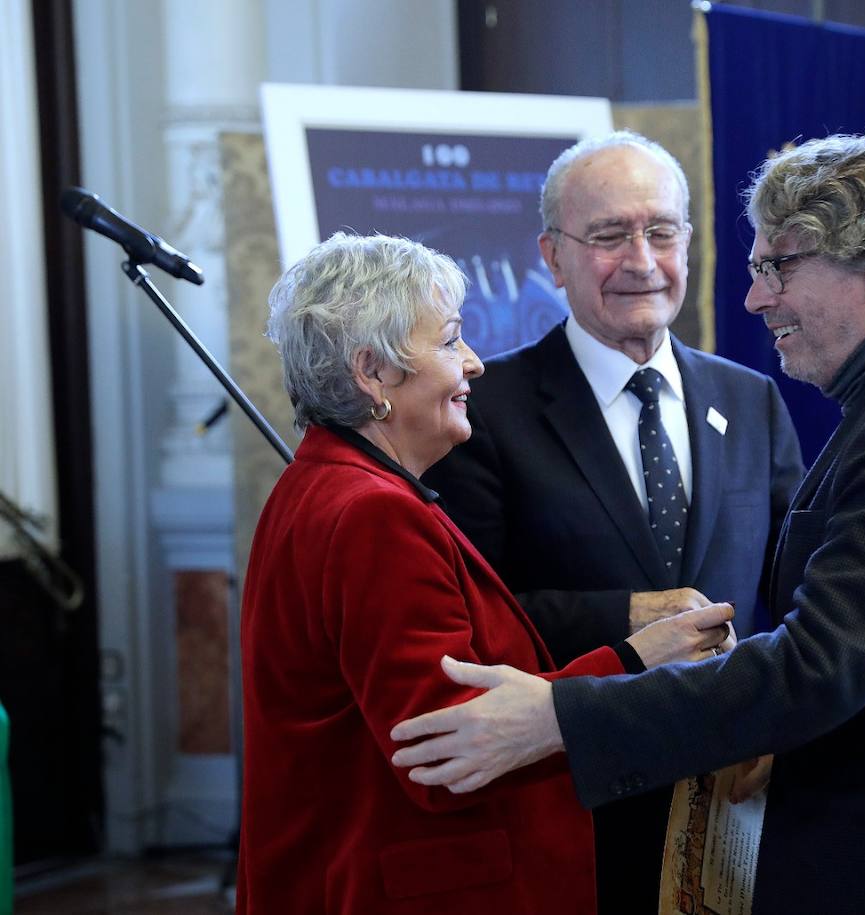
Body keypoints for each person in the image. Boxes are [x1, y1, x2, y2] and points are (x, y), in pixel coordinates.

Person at [391, 135, 865, 913]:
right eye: (756, 268)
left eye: (780, 267)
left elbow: (820, 664)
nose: (755, 298)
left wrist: (560, 714)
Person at [235, 233, 734, 914]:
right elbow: (447, 751)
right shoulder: (372, 514)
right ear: (371, 372)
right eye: (448, 341)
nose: (472, 362)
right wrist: (633, 660)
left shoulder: (322, 482)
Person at [421, 130, 803, 912]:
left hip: (728, 801)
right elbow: (473, 614)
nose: (641, 259)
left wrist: (783, 715)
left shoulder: (751, 398)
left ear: (689, 246)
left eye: (662, 231)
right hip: (573, 804)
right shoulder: (486, 412)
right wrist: (631, 618)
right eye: (608, 235)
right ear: (553, 257)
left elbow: (800, 586)